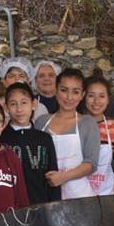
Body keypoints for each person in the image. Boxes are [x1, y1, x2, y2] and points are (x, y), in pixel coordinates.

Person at [35, 68, 100, 199]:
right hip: (47, 195)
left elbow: (91, 164)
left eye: (75, 92)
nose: (69, 97)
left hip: (80, 197)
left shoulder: (88, 123)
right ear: (56, 90)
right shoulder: (41, 122)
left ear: (82, 95)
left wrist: (63, 177)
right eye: (64, 90)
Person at [1, 82, 61, 204]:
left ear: (34, 104)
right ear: (6, 107)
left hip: (40, 206)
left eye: (24, 102)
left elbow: (53, 177)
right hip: (9, 207)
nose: (19, 109)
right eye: (13, 104)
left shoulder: (44, 139)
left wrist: (55, 208)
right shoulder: (1, 139)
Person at [82, 74, 114, 196]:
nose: (96, 101)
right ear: (83, 97)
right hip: (77, 195)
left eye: (102, 96)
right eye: (91, 96)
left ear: (108, 100)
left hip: (107, 195)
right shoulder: (74, 124)